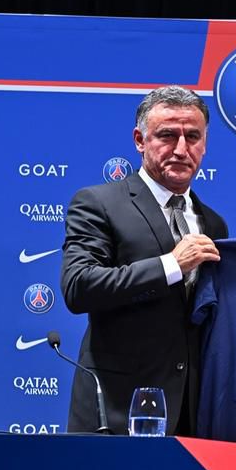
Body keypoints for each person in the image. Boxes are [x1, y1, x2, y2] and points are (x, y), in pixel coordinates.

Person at [61, 86, 227, 435]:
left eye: (193, 136)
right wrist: (171, 265)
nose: (181, 149)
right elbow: (79, 287)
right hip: (116, 412)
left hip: (192, 417)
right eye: (167, 135)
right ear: (140, 140)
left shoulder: (213, 224)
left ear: (205, 144)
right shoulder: (99, 203)